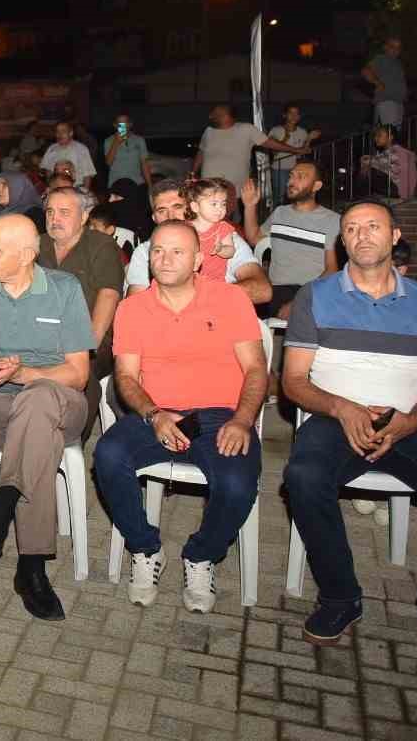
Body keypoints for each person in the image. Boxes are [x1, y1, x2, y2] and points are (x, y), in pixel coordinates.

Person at [282, 200, 417, 664]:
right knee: (303, 476)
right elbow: (293, 382)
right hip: (335, 419)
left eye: (373, 226)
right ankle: (340, 598)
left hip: (409, 422)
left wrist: (409, 421)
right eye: (352, 228)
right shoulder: (315, 296)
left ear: (394, 236)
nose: (362, 235)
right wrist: (342, 408)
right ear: (343, 241)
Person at [101, 220, 268, 612]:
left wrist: (242, 420)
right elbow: (126, 377)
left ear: (197, 260)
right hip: (156, 412)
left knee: (237, 484)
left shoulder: (230, 299)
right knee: (107, 455)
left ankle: (201, 555)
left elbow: (256, 369)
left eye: (177, 251)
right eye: (157, 251)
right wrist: (154, 414)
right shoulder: (132, 308)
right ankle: (144, 547)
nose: (165, 259)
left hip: (221, 416)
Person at [0, 213, 94, 620]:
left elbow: (78, 374)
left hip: (62, 403)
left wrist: (23, 374)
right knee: (37, 427)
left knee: (39, 399)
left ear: (26, 256)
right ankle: (31, 568)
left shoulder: (64, 289)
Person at [37, 186, 125, 402]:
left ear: (84, 216)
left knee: (75, 374)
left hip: (87, 336)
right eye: (50, 212)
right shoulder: (37, 244)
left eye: (64, 212)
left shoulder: (101, 245)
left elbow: (108, 295)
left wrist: (89, 345)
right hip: (40, 333)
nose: (54, 219)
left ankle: (73, 420)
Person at [125, 181, 272, 306]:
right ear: (154, 218)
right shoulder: (145, 251)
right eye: (162, 211)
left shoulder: (223, 238)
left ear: (192, 208)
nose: (170, 216)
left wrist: (199, 299)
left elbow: (262, 290)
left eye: (177, 207)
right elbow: (135, 305)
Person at [240, 162, 339, 319]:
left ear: (316, 186)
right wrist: (250, 206)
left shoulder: (332, 220)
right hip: (275, 290)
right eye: (291, 176)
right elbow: (254, 239)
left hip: (310, 291)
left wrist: (301, 300)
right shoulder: (280, 213)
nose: (291, 181)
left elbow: (332, 271)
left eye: (301, 177)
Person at [193, 105, 301, 192]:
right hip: (208, 187)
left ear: (226, 115)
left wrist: (296, 150)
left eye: (215, 114)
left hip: (235, 190)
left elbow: (270, 143)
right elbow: (201, 152)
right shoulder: (208, 131)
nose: (210, 117)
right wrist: (193, 172)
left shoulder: (246, 129)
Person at [185, 178, 240, 285]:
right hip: (189, 282)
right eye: (214, 204)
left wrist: (221, 249)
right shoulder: (185, 228)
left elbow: (231, 251)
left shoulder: (223, 228)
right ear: (195, 207)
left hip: (215, 282)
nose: (220, 209)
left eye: (223, 204)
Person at [265, 106, 320, 204]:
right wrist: (285, 138)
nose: (294, 116)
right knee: (280, 197)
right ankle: (277, 212)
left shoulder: (302, 132)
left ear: (299, 117)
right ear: (285, 115)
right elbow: (273, 153)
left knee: (296, 195)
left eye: (297, 114)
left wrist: (309, 139)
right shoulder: (276, 130)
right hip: (280, 168)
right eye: (291, 113)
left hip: (296, 169)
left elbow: (302, 152)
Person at [360, 124, 417, 200]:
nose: (375, 138)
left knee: (371, 170)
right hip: (395, 188)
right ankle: (363, 197)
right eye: (375, 136)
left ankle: (362, 197)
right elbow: (381, 161)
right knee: (367, 169)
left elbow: (385, 164)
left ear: (390, 137)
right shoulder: (389, 152)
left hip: (400, 190)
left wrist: (369, 162)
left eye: (379, 135)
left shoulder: (399, 152)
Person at [361, 36, 407, 127]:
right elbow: (365, 71)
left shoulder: (398, 63)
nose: (396, 50)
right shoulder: (381, 59)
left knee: (393, 133)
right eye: (392, 46)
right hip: (387, 103)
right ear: (385, 47)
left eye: (398, 47)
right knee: (387, 131)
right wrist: (377, 82)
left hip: (398, 104)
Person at [40, 122, 97, 192]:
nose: (60, 134)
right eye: (57, 132)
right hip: (56, 189)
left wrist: (85, 192)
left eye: (63, 131)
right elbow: (48, 171)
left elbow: (87, 173)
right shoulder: (51, 149)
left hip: (76, 189)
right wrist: (49, 188)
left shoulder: (81, 149)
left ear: (71, 133)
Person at [105, 115, 152, 190]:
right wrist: (116, 142)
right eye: (119, 123)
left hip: (137, 183)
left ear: (130, 124)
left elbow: (144, 164)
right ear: (115, 125)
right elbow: (108, 163)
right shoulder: (108, 141)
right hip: (116, 183)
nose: (122, 126)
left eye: (125, 123)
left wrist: (150, 185)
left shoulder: (139, 140)